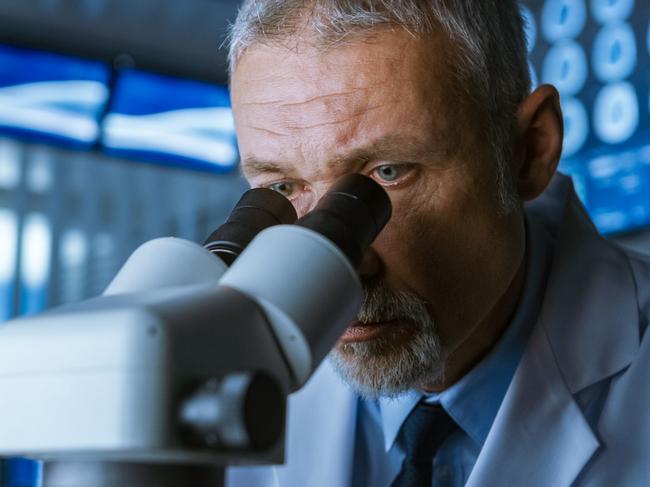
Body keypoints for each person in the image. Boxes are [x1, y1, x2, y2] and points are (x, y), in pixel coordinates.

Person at [225, 1, 650, 486]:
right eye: (281, 189)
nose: (337, 265)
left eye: (388, 173)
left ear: (529, 151)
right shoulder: (234, 381)